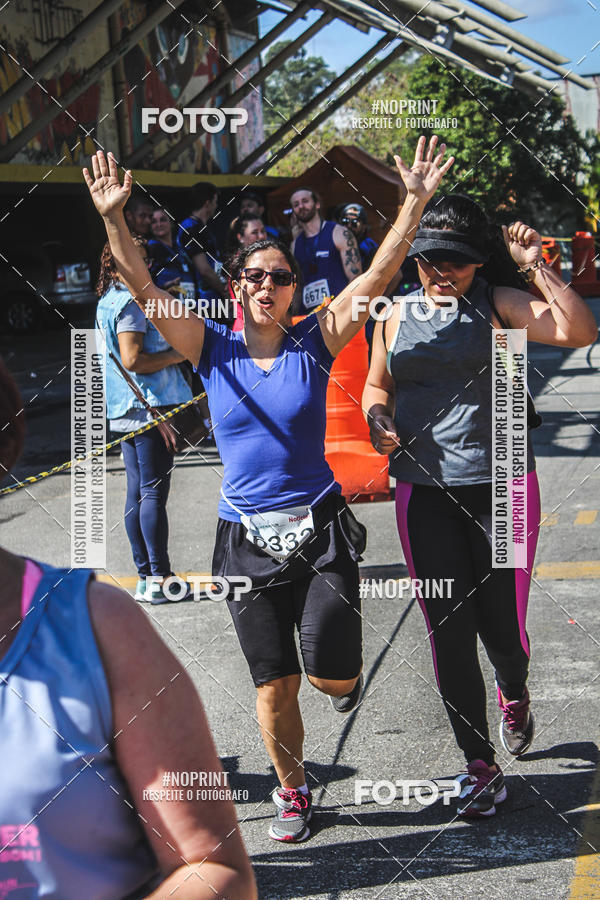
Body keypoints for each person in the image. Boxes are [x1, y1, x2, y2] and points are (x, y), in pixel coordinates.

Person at [83, 136, 454, 843]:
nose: (266, 284)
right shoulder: (209, 347)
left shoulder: (314, 343)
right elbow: (141, 286)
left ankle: (339, 682)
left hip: (318, 528)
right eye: (253, 275)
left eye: (279, 276)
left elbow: (377, 276)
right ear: (235, 287)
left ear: (291, 289)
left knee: (330, 679)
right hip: (243, 539)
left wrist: (412, 205)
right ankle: (293, 791)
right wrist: (113, 217)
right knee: (272, 684)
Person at [363, 193, 598, 818]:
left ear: (477, 263)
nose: (443, 273)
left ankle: (514, 690)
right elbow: (375, 383)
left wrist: (534, 263)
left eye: (458, 264)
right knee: (447, 631)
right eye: (431, 261)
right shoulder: (391, 314)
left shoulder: (498, 303)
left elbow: (579, 330)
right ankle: (478, 765)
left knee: (502, 630)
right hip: (423, 492)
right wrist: (377, 416)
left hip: (506, 489)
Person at [0, 357, 257, 899]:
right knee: (144, 494)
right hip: (135, 414)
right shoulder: (126, 307)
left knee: (146, 495)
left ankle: (153, 573)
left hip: (136, 414)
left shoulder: (99, 628)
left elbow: (215, 868)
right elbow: (136, 356)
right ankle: (152, 572)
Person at [95, 239, 193, 605]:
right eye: (139, 259)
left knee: (137, 492)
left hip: (124, 409)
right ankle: (160, 577)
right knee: (152, 492)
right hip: (148, 408)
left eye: (146, 259)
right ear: (119, 264)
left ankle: (145, 576)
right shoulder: (130, 303)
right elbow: (133, 359)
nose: (147, 265)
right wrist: (175, 354)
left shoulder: (108, 299)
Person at [290, 186, 362, 314]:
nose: (301, 206)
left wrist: (349, 310)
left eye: (305, 201)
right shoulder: (295, 245)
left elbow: (355, 277)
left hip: (339, 312)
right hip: (308, 317)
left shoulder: (339, 233)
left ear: (317, 204)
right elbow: (297, 287)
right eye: (296, 204)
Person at [176, 182, 225, 302]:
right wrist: (226, 292)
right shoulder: (190, 227)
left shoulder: (201, 226)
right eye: (215, 202)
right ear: (207, 204)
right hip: (203, 300)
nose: (216, 206)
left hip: (213, 296)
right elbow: (204, 269)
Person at [226, 213, 268, 332]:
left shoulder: (266, 261)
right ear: (241, 237)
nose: (261, 236)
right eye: (254, 232)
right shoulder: (241, 265)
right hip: (247, 333)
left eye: (263, 231)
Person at [149, 207, 198, 299]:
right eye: (154, 222)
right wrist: (164, 287)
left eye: (163, 220)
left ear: (171, 223)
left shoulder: (180, 246)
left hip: (189, 302)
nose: (158, 224)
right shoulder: (150, 248)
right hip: (166, 303)